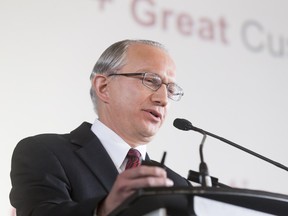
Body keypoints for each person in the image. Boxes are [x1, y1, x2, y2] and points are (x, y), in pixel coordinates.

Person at [10, 39, 190, 216]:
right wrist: (103, 210)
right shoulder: (45, 152)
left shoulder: (178, 185)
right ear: (103, 87)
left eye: (171, 90)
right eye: (151, 80)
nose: (163, 99)